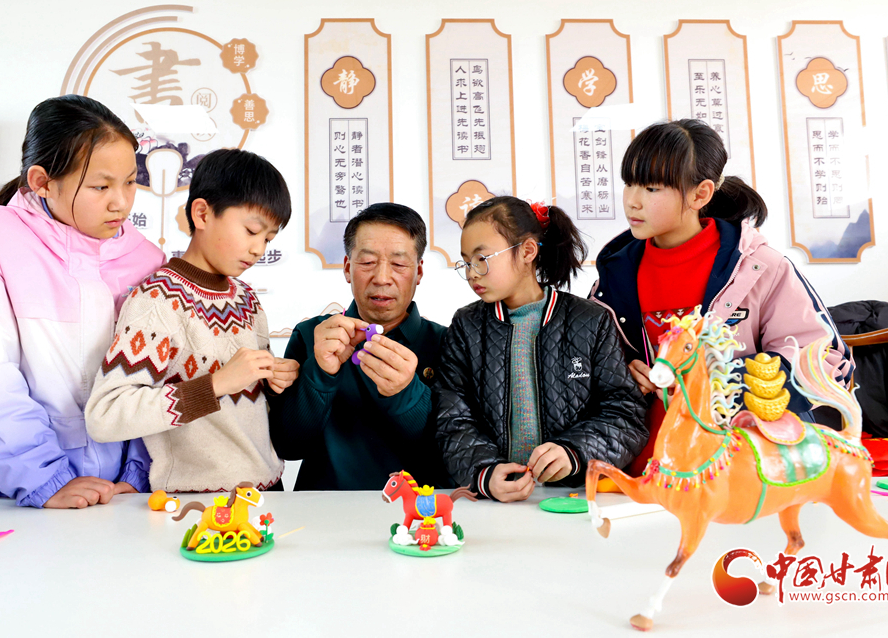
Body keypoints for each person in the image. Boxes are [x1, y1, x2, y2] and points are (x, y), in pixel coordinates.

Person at [0, 95, 166, 508]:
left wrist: (139, 472)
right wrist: (43, 477)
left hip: (122, 495)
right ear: (42, 181)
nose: (121, 201)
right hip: (10, 494)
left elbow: (153, 378)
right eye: (101, 186)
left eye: (131, 182)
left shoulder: (147, 260)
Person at [592, 118, 855, 474]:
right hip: (645, 471)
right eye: (629, 184)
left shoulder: (759, 268)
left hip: (742, 470)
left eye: (651, 188)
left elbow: (826, 360)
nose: (632, 202)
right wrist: (624, 374)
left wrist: (717, 381)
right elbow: (590, 371)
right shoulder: (613, 276)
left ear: (700, 194)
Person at [85, 149, 297, 493]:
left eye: (268, 239)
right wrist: (215, 385)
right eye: (251, 231)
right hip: (197, 503)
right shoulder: (157, 300)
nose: (259, 248)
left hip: (268, 490)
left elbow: (249, 405)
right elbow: (107, 414)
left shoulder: (247, 298)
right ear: (202, 213)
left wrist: (274, 379)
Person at [435, 196, 648, 502]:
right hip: (495, 501)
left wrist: (573, 452)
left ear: (527, 251)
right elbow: (452, 420)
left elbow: (625, 415)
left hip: (576, 498)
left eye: (482, 259)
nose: (472, 273)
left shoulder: (590, 320)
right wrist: (485, 473)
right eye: (466, 262)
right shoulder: (465, 326)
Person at [268, 203, 449, 490]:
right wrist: (320, 373)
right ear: (347, 268)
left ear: (418, 272)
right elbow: (289, 446)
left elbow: (452, 454)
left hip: (415, 510)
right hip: (322, 507)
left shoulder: (447, 343)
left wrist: (406, 393)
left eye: (399, 264)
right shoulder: (311, 335)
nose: (382, 278)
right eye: (367, 262)